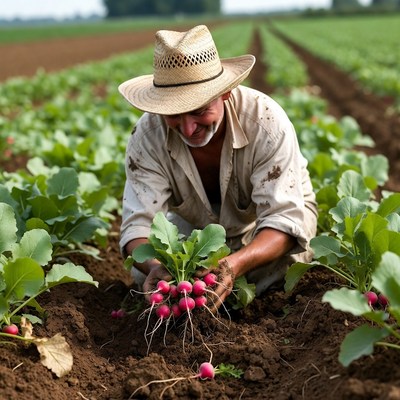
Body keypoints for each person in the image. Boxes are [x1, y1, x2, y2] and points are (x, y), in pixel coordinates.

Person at [118, 24, 317, 310]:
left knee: (284, 269)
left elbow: (283, 221)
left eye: (199, 111)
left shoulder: (266, 122)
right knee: (146, 273)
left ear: (225, 92)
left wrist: (234, 265)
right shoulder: (147, 136)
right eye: (174, 115)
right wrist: (156, 268)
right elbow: (137, 228)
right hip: (195, 229)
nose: (188, 129)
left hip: (269, 225)